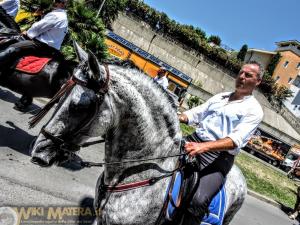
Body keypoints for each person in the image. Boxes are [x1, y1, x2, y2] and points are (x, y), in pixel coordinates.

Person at [179, 61, 264, 224]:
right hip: (193, 142)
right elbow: (196, 113)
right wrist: (179, 116)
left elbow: (234, 141)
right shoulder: (220, 97)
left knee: (197, 201)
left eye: (248, 75)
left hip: (217, 158)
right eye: (241, 72)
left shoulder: (254, 110)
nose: (242, 77)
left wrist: (203, 147)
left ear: (258, 82)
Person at [0, 0, 68, 69]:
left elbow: (38, 27)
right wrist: (42, 15)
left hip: (40, 45)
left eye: (57, 1)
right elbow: (48, 30)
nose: (54, 2)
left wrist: (28, 33)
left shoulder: (56, 15)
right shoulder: (64, 17)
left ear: (63, 4)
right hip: (53, 49)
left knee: (13, 47)